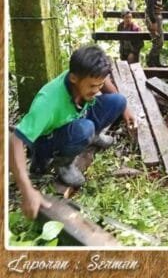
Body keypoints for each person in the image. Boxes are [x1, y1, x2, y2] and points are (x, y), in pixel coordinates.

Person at [10, 45, 136, 219]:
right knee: (84, 129)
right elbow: (15, 140)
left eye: (99, 85)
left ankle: (92, 136)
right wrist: (26, 190)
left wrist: (126, 110)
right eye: (92, 86)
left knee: (118, 101)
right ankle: (63, 163)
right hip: (47, 141)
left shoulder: (83, 77)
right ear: (74, 78)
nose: (97, 90)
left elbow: (102, 81)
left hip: (76, 118)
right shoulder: (47, 102)